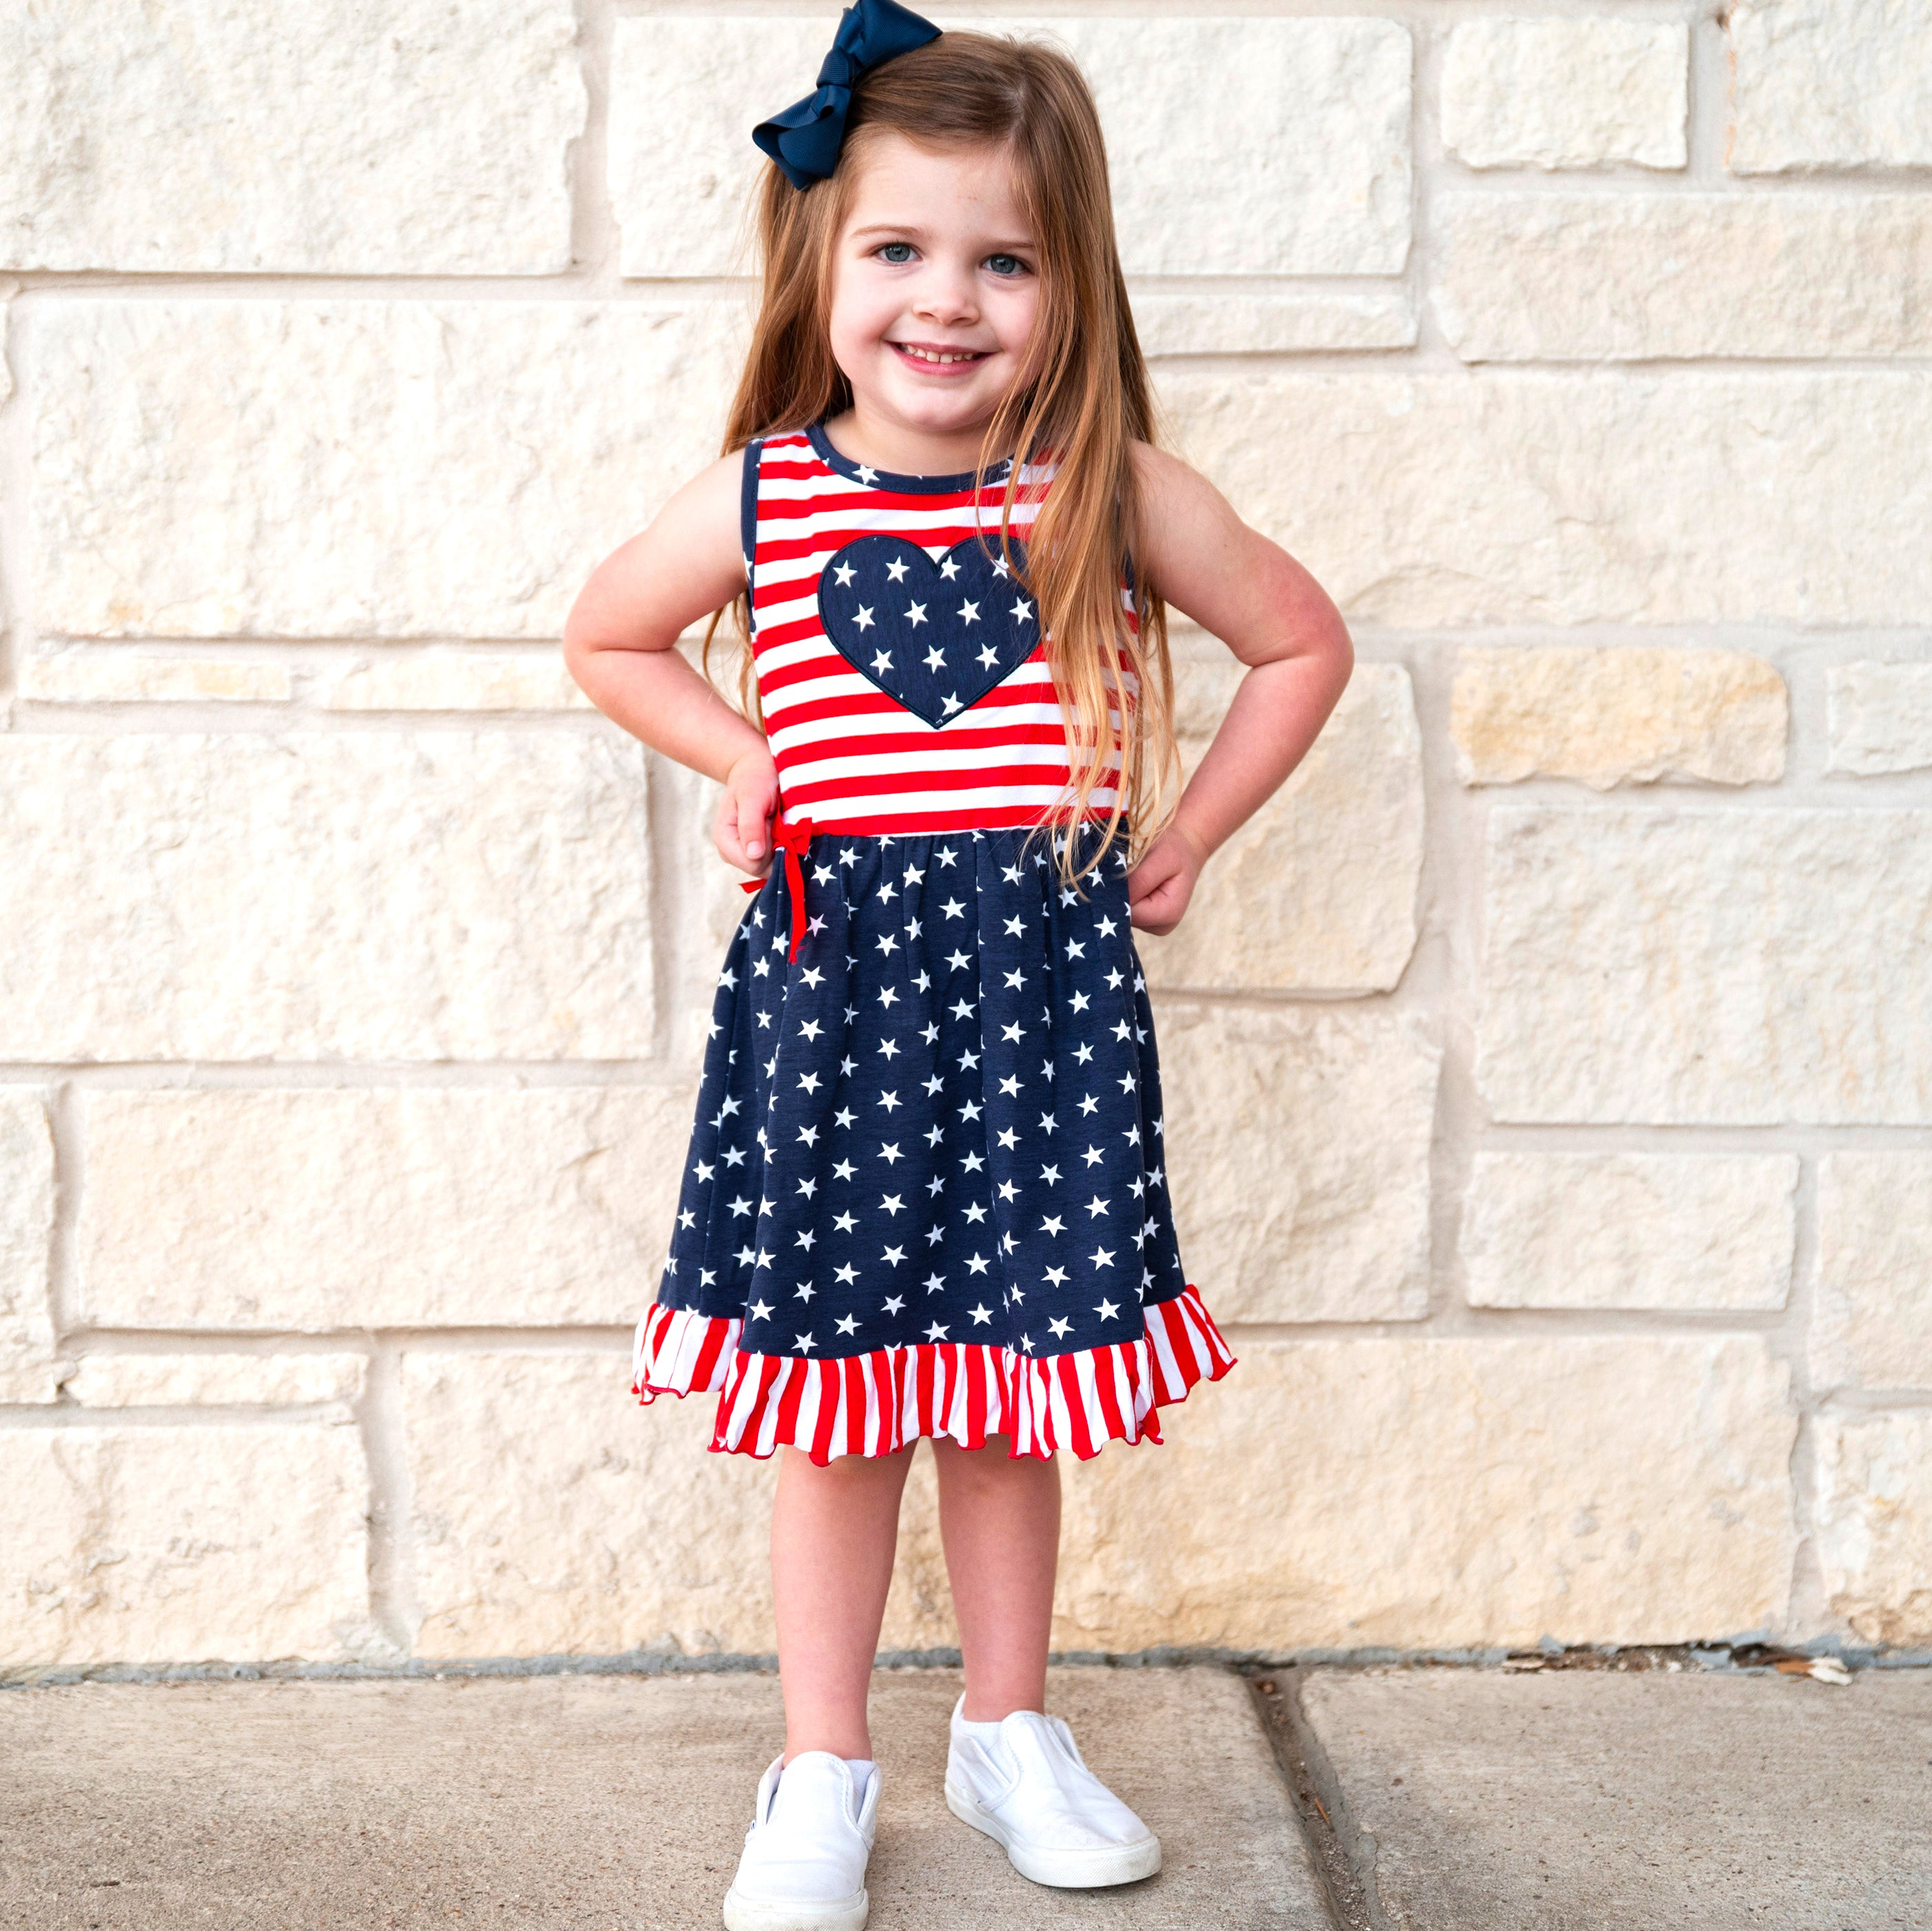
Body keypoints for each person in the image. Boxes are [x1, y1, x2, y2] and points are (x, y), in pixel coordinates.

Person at [564, 6, 1352, 1925]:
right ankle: (820, 1765)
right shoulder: (766, 495)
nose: (947, 300)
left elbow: (1303, 642)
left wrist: (1180, 831)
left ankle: (1008, 1734)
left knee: (1003, 1408)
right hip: (835, 1027)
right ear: (821, 262)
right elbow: (606, 638)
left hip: (1038, 1030)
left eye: (1003, 259)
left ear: (1066, 283)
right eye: (899, 249)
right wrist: (747, 756)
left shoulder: (1105, 487)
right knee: (842, 1418)